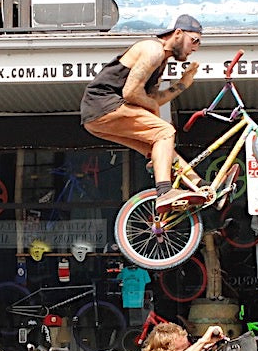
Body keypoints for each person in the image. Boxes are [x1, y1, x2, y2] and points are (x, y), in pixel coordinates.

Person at [80, 14, 207, 215]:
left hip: (95, 117)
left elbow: (150, 98)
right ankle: (165, 191)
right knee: (165, 132)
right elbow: (130, 92)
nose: (196, 48)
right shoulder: (153, 50)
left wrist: (182, 84)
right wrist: (154, 109)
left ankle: (200, 185)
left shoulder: (161, 61)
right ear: (178, 33)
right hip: (103, 105)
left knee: (160, 148)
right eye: (194, 40)